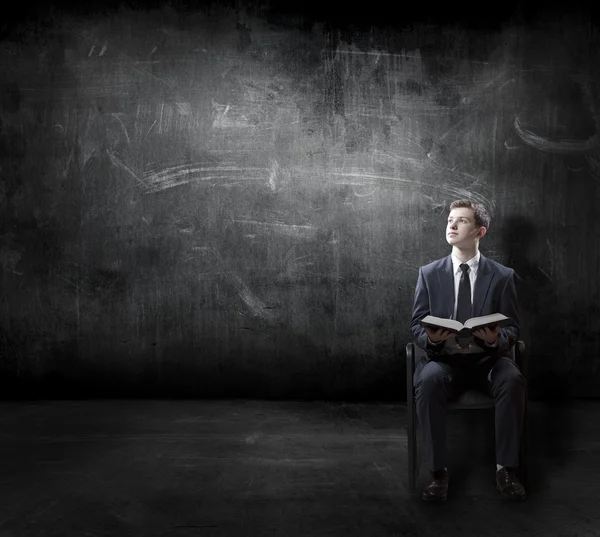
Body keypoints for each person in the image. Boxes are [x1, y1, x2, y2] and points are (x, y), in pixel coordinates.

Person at [410, 199, 527, 502]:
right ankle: (437, 473)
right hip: (444, 361)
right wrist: (433, 340)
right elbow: (415, 326)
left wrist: (493, 340)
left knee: (512, 378)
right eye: (450, 219)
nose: (451, 225)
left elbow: (513, 329)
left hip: (488, 361)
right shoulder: (429, 273)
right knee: (428, 379)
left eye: (461, 221)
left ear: (480, 231)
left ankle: (506, 470)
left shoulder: (503, 276)